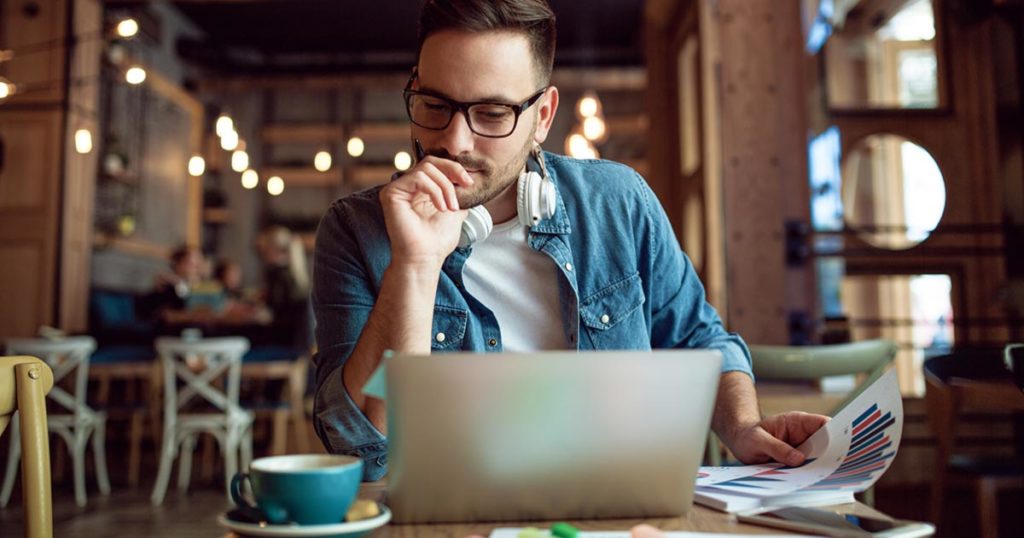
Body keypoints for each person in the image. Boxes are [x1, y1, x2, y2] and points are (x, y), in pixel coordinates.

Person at [312, 0, 828, 482]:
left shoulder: (618, 202)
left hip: (618, 512)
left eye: (492, 114)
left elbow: (699, 341)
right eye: (434, 104)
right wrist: (415, 267)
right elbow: (362, 453)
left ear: (542, 117)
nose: (454, 140)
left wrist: (742, 426)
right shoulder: (356, 231)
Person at [256, 226, 313, 350]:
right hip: (297, 343)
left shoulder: (278, 274)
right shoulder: (295, 273)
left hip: (283, 343)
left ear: (273, 250)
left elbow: (274, 312)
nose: (263, 254)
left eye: (265, 250)